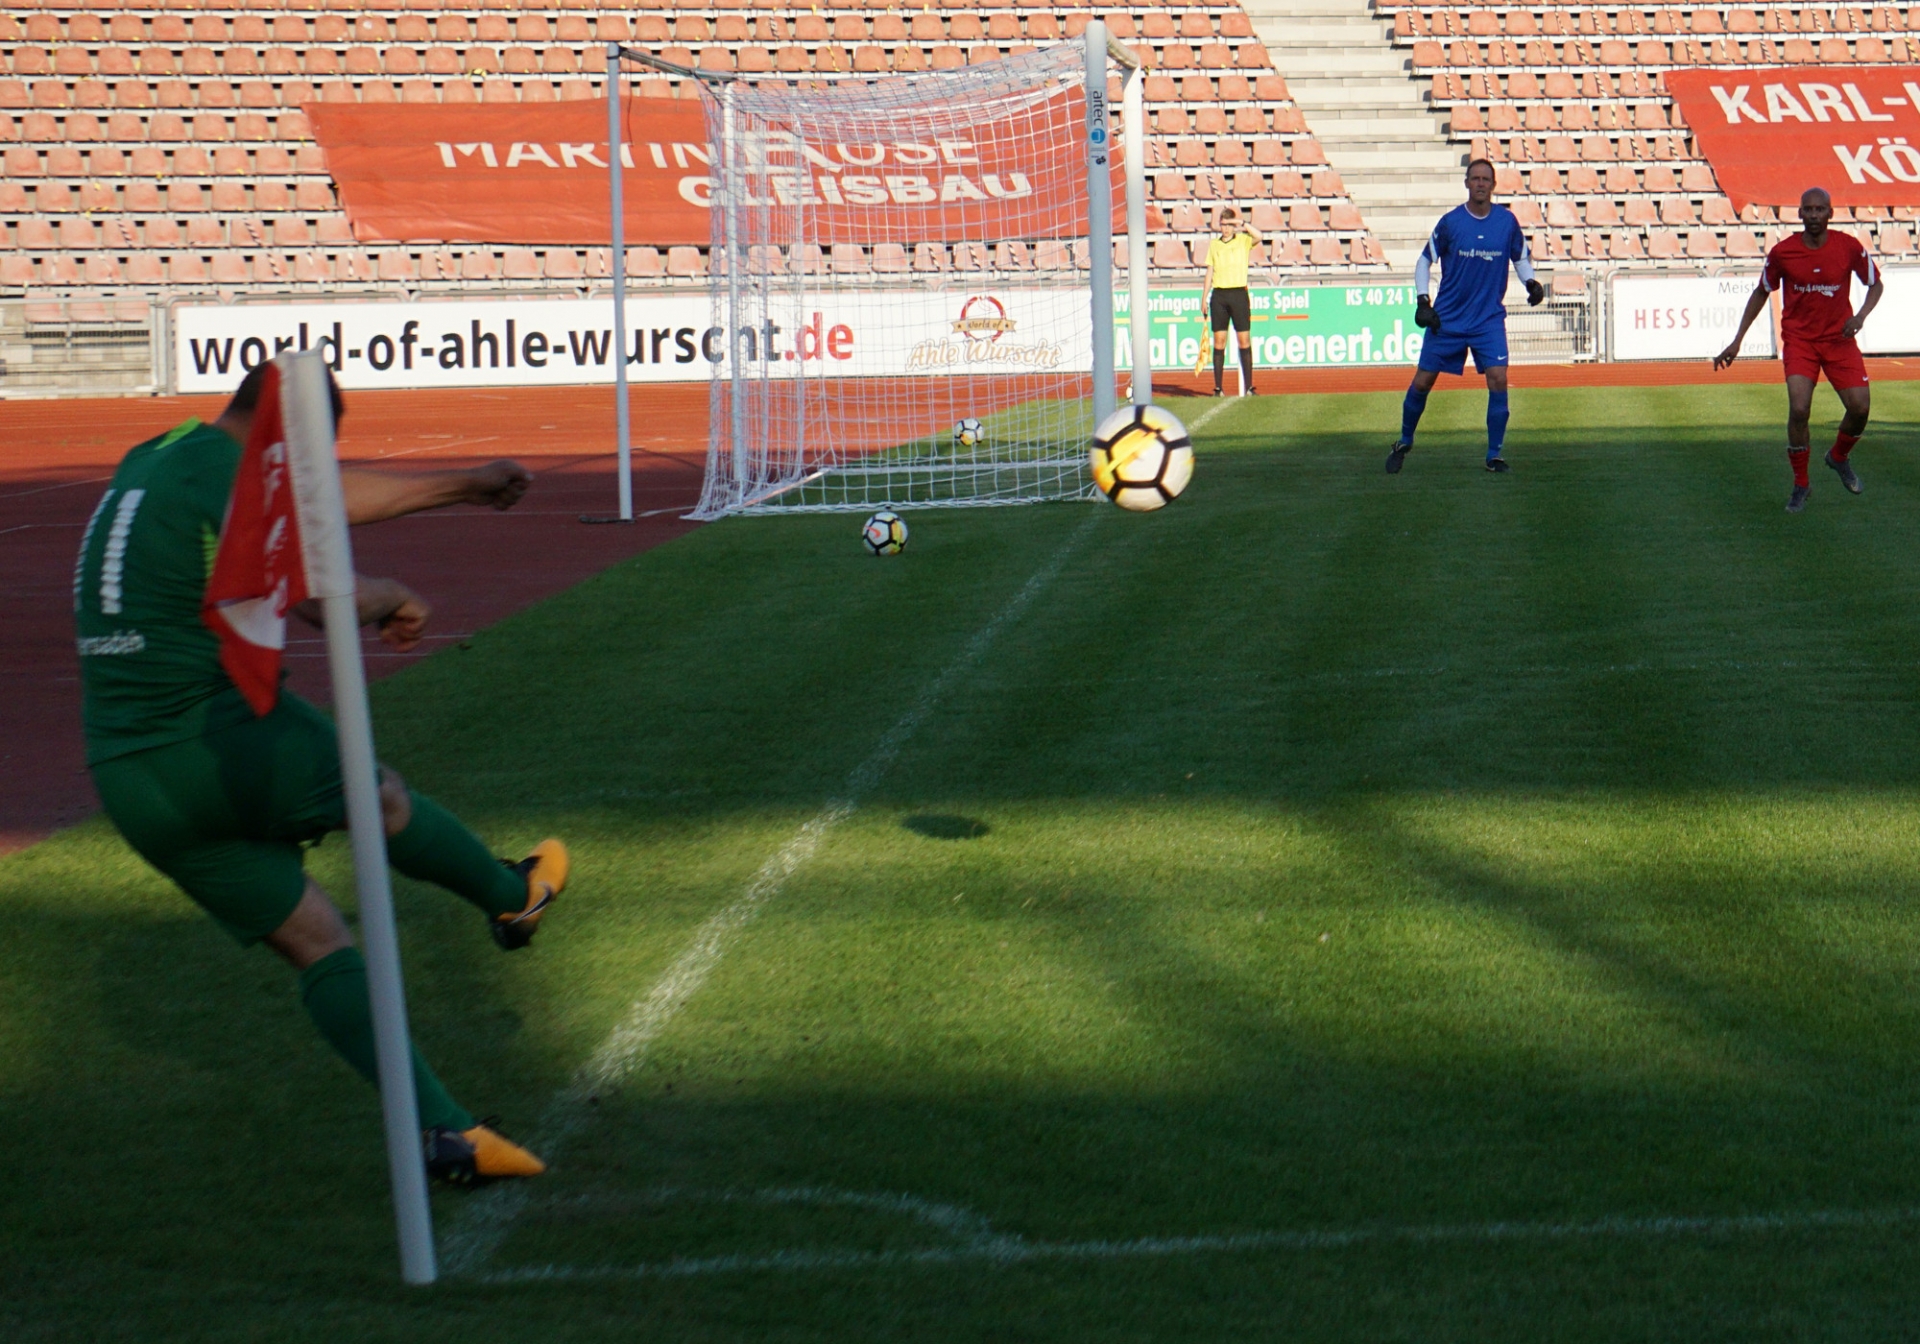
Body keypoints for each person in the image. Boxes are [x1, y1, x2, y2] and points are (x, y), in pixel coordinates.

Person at [73, 363, 569, 1184]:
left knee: (316, 940)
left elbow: (310, 504)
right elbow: (315, 594)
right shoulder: (232, 473)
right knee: (381, 798)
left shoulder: (163, 454)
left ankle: (448, 1135)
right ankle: (513, 897)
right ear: (290, 443)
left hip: (128, 778)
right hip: (215, 736)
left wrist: (464, 486)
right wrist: (393, 593)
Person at [1713, 186, 1883, 513]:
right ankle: (1801, 484)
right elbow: (1761, 291)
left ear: (1830, 213)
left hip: (1839, 340)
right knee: (1800, 408)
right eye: (1809, 209)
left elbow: (1876, 283)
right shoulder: (1783, 253)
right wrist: (1737, 340)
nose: (1814, 215)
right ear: (1800, 213)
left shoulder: (1848, 247)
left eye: (1820, 209)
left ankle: (1838, 456)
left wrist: (1860, 316)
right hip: (1800, 341)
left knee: (1860, 408)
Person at [1386, 159, 1545, 475]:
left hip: (1488, 319)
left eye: (1486, 179)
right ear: (1467, 183)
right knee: (1423, 381)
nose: (1480, 183)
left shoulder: (1507, 222)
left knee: (1498, 378)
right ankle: (1404, 441)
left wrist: (1531, 282)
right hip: (1448, 319)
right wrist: (1423, 301)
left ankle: (1494, 455)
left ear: (1493, 185)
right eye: (1475, 178)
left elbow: (1520, 257)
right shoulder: (1451, 223)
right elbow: (1424, 261)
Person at [1203, 206, 1262, 397]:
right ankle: (1218, 387)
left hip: (1238, 294)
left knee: (1243, 340)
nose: (1226, 229)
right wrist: (1204, 297)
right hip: (1220, 295)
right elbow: (1210, 270)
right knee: (1219, 341)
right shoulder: (1215, 245)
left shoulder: (1243, 240)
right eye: (1223, 225)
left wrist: (1241, 223)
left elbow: (1259, 236)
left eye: (1229, 225)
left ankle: (1249, 386)